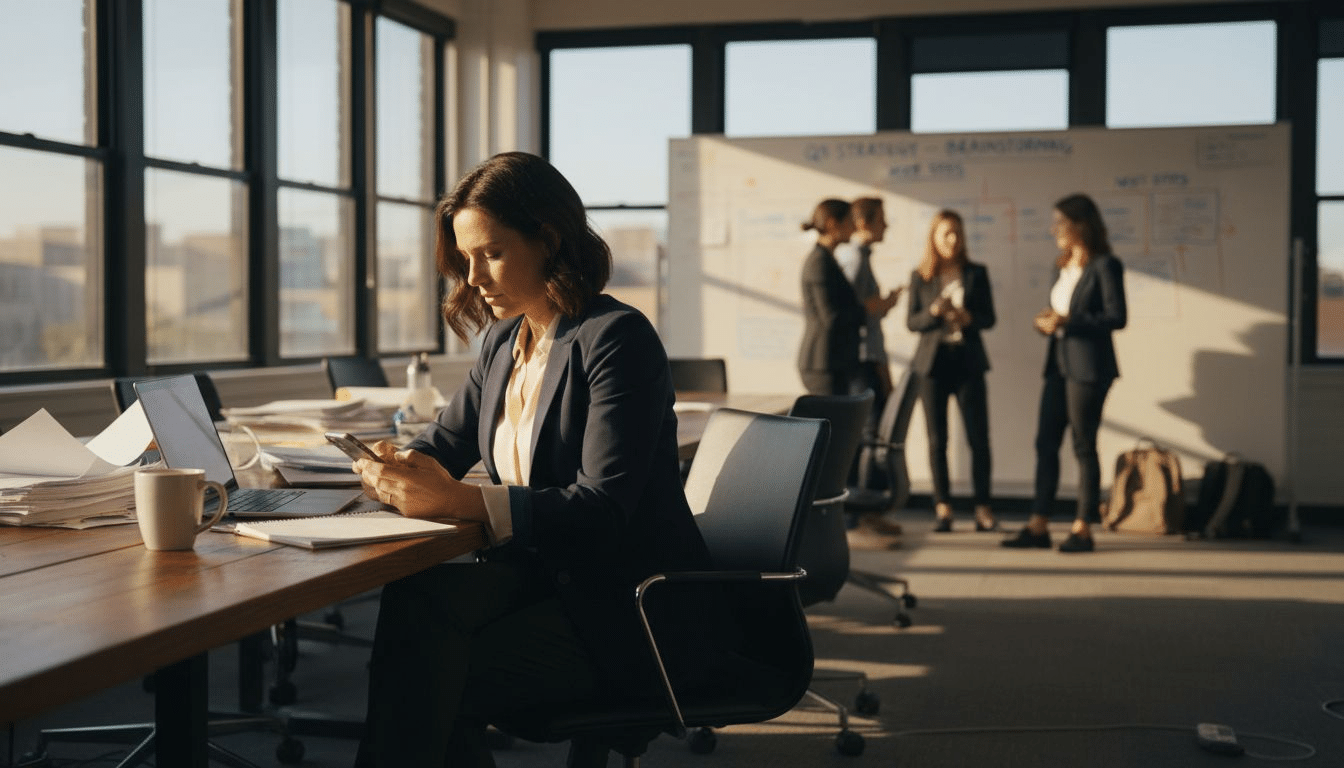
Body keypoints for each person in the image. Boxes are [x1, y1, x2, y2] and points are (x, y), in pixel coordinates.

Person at [350, 152, 722, 767]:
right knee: (417, 602)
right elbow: (445, 442)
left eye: (489, 254)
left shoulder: (616, 339)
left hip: (624, 602)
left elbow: (602, 508)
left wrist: (462, 501)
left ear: (547, 240)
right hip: (543, 579)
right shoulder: (504, 338)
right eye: (464, 259)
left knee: (429, 672)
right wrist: (396, 465)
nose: (472, 278)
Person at [1002, 193, 1127, 553]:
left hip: (1089, 368)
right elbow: (1062, 313)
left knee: (1083, 446)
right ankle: (1038, 524)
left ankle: (1083, 527)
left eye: (1060, 222)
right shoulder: (1061, 266)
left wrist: (1069, 320)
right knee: (1045, 443)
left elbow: (1116, 317)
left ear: (1080, 225)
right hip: (1058, 363)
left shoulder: (1105, 265)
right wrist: (1048, 323)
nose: (1054, 229)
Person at [906, 210, 997, 534]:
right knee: (937, 440)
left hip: (968, 360)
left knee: (978, 439)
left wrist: (967, 317)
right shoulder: (921, 276)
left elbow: (989, 318)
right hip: (932, 364)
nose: (953, 240)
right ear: (934, 237)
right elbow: (912, 322)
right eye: (946, 234)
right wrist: (933, 312)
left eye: (957, 233)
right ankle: (943, 507)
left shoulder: (976, 273)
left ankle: (983, 507)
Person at [797, 198, 863, 396]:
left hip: (833, 362)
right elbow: (831, 317)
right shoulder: (819, 262)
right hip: (823, 364)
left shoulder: (828, 259)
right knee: (832, 423)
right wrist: (867, 309)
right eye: (851, 222)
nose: (855, 228)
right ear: (834, 224)